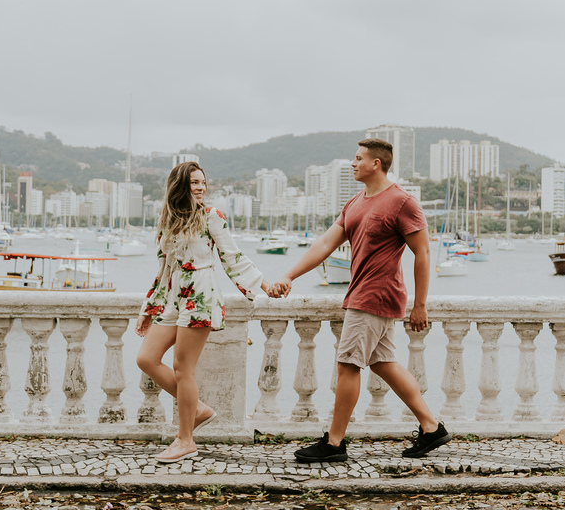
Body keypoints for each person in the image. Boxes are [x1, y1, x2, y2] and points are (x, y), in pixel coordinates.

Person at [270, 138, 450, 462]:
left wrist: (420, 304)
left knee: (348, 365)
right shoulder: (354, 203)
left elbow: (422, 252)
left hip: (375, 295)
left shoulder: (401, 202)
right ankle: (431, 426)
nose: (353, 164)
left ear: (376, 164)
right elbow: (325, 243)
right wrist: (289, 276)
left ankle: (335, 442)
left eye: (357, 158)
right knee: (384, 364)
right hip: (363, 293)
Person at [135, 161, 272, 463]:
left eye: (203, 182)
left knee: (183, 368)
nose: (200, 187)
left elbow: (232, 256)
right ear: (179, 186)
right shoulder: (168, 223)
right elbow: (163, 270)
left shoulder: (212, 217)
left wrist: (264, 284)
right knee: (146, 358)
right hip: (173, 299)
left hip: (201, 297)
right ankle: (197, 409)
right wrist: (149, 308)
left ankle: (185, 440)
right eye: (193, 182)